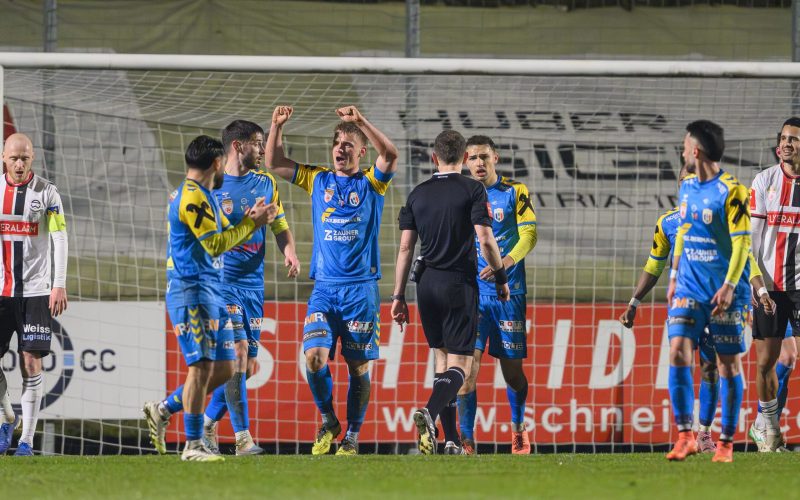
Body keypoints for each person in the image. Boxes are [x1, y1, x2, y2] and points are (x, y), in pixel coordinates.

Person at [264, 105, 399, 455]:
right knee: (313, 358)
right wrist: (276, 126)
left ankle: (352, 436)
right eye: (337, 143)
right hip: (324, 289)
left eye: (348, 144)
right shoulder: (318, 179)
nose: (340, 149)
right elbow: (273, 162)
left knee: (358, 367)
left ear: (361, 151)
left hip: (361, 291)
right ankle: (328, 420)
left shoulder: (371, 183)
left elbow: (390, 154)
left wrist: (361, 122)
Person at [620, 165, 774, 454]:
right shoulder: (667, 223)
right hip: (684, 300)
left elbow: (745, 254)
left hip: (716, 302)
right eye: (684, 180)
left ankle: (704, 434)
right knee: (678, 356)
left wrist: (760, 289)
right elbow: (654, 265)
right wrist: (634, 302)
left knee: (711, 367)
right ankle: (684, 434)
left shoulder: (723, 215)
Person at [143, 135, 275, 461]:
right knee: (201, 367)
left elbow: (228, 231)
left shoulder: (206, 196)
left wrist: (252, 217)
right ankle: (193, 445)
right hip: (191, 292)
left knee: (227, 369)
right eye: (222, 165)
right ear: (217, 163)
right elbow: (215, 244)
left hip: (212, 292)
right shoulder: (190, 198)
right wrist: (251, 223)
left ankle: (163, 409)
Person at [392, 130, 509, 455]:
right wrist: (501, 277)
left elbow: (405, 248)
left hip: (426, 285)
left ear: (435, 158)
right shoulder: (472, 189)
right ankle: (429, 413)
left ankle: (451, 440)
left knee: (442, 361)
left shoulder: (418, 193)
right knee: (462, 366)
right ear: (464, 157)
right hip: (458, 284)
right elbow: (485, 239)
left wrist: (398, 296)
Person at [200, 120, 300, 456]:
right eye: (257, 143)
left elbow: (280, 226)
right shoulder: (211, 186)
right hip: (222, 283)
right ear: (237, 146)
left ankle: (206, 423)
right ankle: (243, 438)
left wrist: (290, 252)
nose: (261, 150)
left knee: (242, 367)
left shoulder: (265, 183)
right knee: (239, 352)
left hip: (254, 287)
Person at [665, 120, 753, 463]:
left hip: (724, 290)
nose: (682, 151)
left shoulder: (733, 192)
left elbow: (742, 244)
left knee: (727, 366)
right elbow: (684, 231)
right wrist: (674, 275)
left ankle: (726, 443)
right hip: (689, 285)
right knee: (677, 351)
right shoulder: (687, 186)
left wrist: (730, 286)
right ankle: (685, 436)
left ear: (696, 150)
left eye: (685, 146)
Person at [456, 135, 537, 455]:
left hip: (509, 295)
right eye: (473, 158)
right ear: (465, 161)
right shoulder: (461, 195)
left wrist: (505, 263)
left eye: (484, 157)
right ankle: (466, 441)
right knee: (466, 371)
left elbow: (530, 234)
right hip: (473, 296)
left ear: (495, 159)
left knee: (512, 373)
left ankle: (518, 428)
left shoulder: (514, 191)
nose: (479, 163)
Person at [0, 133, 68, 456]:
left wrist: (59, 283)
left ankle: (26, 440)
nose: (19, 164)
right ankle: (7, 416)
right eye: (14, 158)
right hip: (1, 291)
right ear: (3, 158)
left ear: (33, 159)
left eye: (24, 158)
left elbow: (60, 237)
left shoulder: (47, 193)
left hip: (36, 291)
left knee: (31, 361)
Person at [747, 117, 800, 452]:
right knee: (766, 362)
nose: (786, 144)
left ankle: (764, 425)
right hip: (770, 288)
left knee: (790, 358)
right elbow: (750, 243)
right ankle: (767, 428)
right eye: (783, 138)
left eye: (793, 139)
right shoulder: (764, 180)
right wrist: (757, 287)